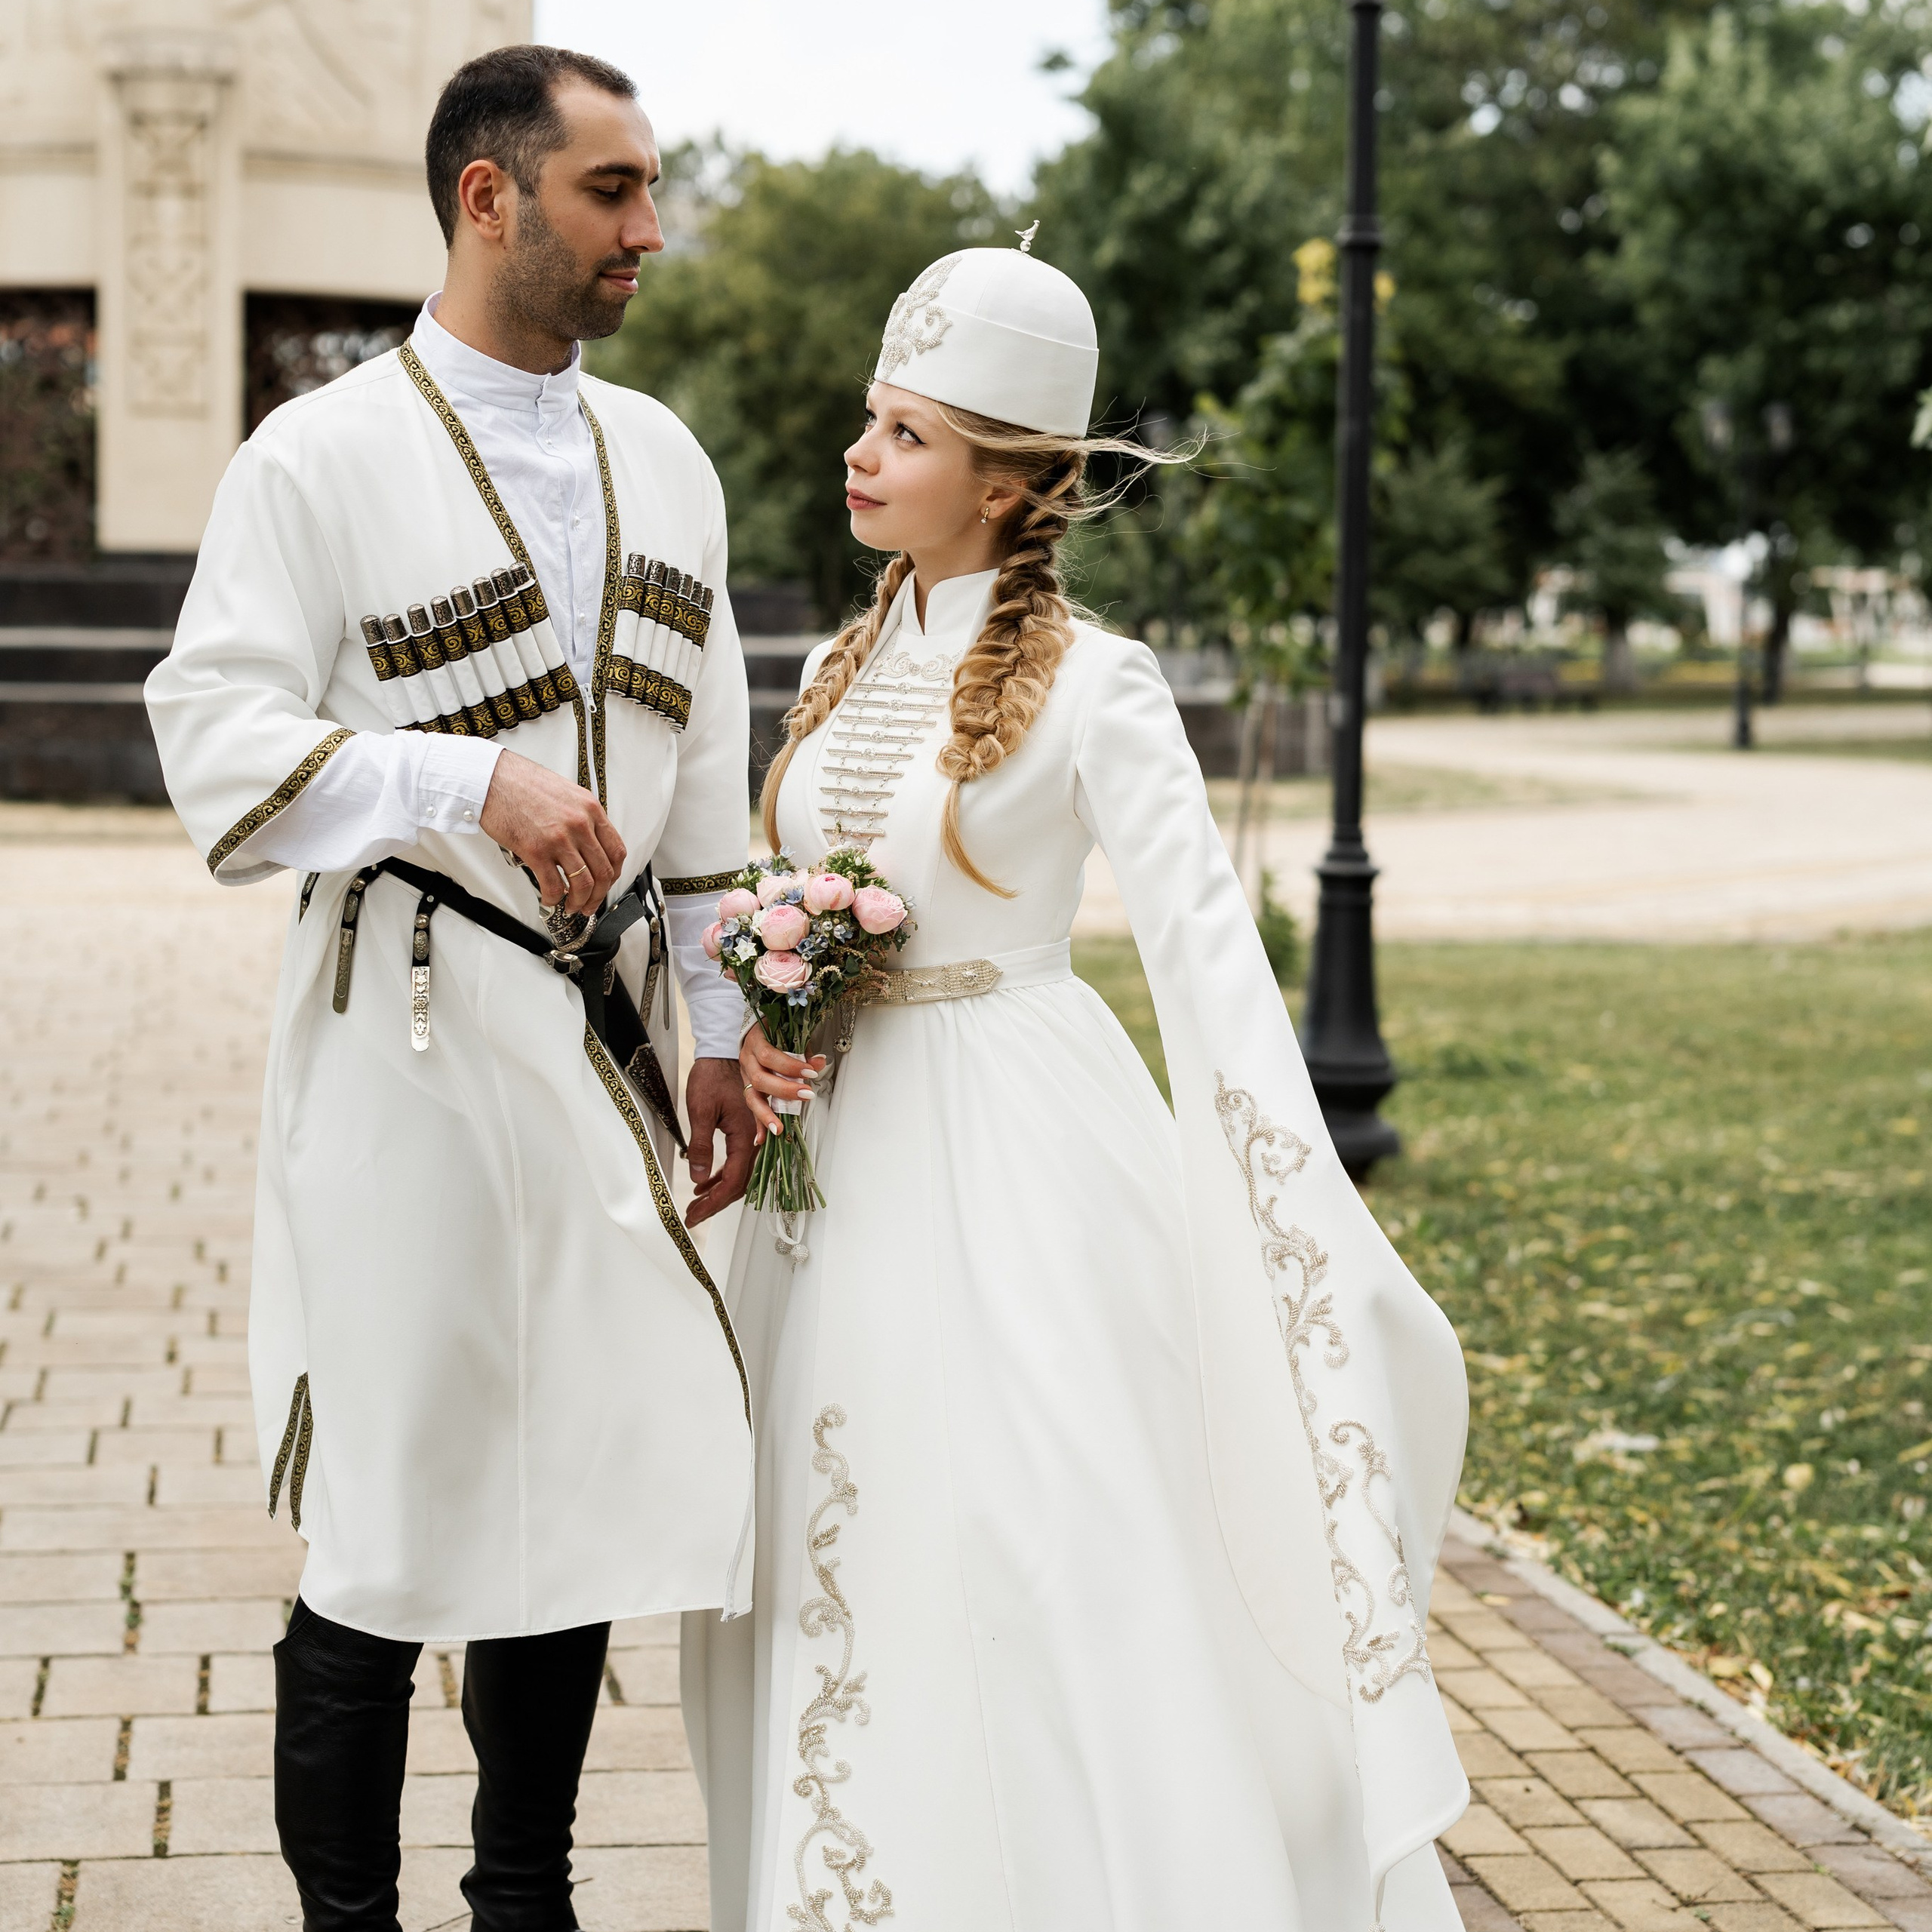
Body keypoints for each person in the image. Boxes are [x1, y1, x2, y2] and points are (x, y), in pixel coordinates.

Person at [685, 243, 1472, 1930]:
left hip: (1012, 1138)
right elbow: (785, 885)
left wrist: (1288, 1229)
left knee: (1031, 1532)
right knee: (840, 1536)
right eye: (868, 418)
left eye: (903, 432)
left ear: (1004, 478)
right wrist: (767, 1020)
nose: (860, 451)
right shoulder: (842, 652)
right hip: (836, 1165)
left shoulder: (1095, 682)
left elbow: (1207, 964)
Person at [144, 46, 758, 1932]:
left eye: (649, 188)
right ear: (488, 198)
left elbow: (711, 777)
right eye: (610, 190)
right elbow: (211, 736)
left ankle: (524, 1900)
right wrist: (454, 775)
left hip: (596, 1045)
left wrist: (722, 1037)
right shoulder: (315, 455)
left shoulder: (663, 455)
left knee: (566, 1485)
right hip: (401, 1035)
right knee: (395, 1511)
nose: (646, 227)